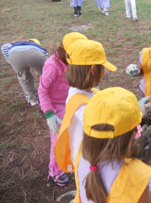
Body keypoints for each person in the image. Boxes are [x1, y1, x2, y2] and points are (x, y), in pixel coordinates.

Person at [73, 87, 151, 203]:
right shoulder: (133, 173)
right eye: (137, 129)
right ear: (129, 137)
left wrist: (131, 118)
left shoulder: (83, 152)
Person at [54, 39, 117, 173]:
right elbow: (104, 128)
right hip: (89, 163)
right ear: (94, 69)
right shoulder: (80, 104)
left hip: (90, 156)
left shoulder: (85, 90)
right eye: (103, 67)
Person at [38, 32, 88, 186]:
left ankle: (68, 160)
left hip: (70, 101)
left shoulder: (75, 61)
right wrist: (49, 113)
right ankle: (55, 171)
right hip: (55, 106)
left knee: (73, 133)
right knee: (58, 139)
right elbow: (42, 90)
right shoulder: (52, 66)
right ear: (65, 51)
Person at [1, 39, 48, 106]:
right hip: (34, 54)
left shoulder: (15, 43)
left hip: (15, 55)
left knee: (24, 78)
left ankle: (33, 100)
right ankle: (51, 94)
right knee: (47, 74)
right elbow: (45, 55)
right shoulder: (37, 46)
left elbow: (4, 46)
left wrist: (10, 61)